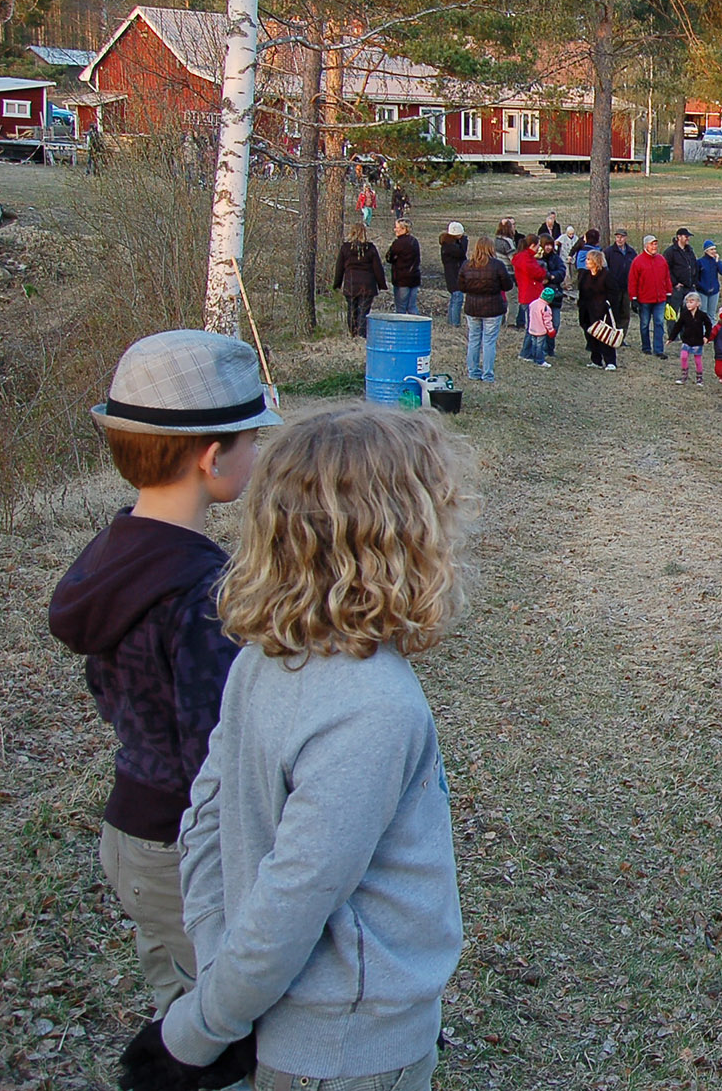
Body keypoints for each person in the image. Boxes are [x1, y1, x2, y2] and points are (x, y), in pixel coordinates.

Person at [121, 406, 466, 1091]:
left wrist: (217, 976)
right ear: (409, 536)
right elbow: (293, 897)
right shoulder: (374, 707)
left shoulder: (263, 656)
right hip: (351, 1048)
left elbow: (204, 820)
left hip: (295, 1030)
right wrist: (199, 1031)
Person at [48, 332, 280, 1025]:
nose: (255, 454)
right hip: (187, 846)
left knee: (179, 993)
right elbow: (220, 748)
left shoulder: (116, 553)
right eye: (249, 441)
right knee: (207, 1024)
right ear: (213, 458)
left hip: (132, 826)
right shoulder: (200, 592)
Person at [459, 237, 514, 382]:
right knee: (489, 341)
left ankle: (473, 372)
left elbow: (461, 286)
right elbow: (508, 285)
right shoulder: (497, 265)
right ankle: (487, 374)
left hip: (472, 307)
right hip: (492, 307)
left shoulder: (467, 265)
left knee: (474, 339)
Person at [332, 222, 385, 337]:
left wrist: (337, 284)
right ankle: (362, 334)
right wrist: (382, 284)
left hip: (351, 284)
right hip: (367, 285)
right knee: (364, 311)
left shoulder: (345, 248)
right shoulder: (370, 248)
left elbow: (339, 268)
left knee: (352, 310)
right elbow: (378, 268)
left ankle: (353, 333)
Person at [628, 235, 670, 356]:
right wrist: (634, 298)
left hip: (660, 298)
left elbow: (667, 277)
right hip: (644, 299)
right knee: (645, 324)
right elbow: (632, 281)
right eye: (652, 244)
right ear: (646, 245)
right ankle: (646, 347)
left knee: (659, 323)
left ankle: (658, 350)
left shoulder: (661, 260)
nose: (654, 247)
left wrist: (668, 293)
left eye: (656, 244)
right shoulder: (638, 261)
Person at [578, 250, 619, 370]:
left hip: (602, 311)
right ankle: (596, 360)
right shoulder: (585, 275)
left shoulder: (606, 275)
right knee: (591, 335)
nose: (586, 261)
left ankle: (610, 361)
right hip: (587, 310)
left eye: (589, 259)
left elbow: (613, 293)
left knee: (604, 335)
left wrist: (606, 305)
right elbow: (582, 291)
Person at [674, 292, 712, 386]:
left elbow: (709, 325)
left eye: (691, 302)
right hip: (686, 340)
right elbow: (678, 326)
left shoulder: (702, 315)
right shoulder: (684, 315)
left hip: (698, 341)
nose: (689, 304)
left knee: (697, 360)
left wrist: (707, 336)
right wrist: (671, 337)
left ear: (698, 303)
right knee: (683, 356)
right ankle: (684, 376)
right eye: (687, 302)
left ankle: (699, 378)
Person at [386, 218, 422, 315]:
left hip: (401, 279)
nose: (395, 230)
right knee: (412, 306)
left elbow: (389, 258)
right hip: (414, 278)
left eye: (397, 227)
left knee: (401, 308)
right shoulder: (414, 241)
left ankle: (402, 328)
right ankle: (415, 327)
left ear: (404, 229)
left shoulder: (397, 243)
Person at [663, 228, 698, 328]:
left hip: (689, 287)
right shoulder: (670, 252)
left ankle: (684, 333)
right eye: (686, 237)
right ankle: (672, 334)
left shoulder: (689, 251)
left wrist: (694, 281)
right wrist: (675, 283)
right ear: (679, 237)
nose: (688, 239)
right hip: (676, 288)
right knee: (673, 312)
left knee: (687, 313)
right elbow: (666, 269)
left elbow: (694, 265)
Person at [540, 235, 568, 357]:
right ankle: (541, 348)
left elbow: (562, 271)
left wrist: (551, 276)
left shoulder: (555, 259)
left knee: (554, 323)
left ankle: (550, 348)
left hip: (555, 295)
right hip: (540, 296)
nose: (548, 247)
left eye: (550, 245)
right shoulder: (537, 259)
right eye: (546, 244)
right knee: (540, 324)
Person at [603, 229, 636, 327]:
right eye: (617, 237)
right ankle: (611, 337)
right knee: (613, 314)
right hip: (613, 289)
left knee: (625, 314)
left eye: (621, 237)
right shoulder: (609, 252)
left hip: (627, 288)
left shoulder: (631, 252)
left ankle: (621, 337)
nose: (619, 239)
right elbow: (604, 269)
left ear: (626, 238)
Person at [439, 223, 469, 326]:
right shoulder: (450, 247)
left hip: (452, 275)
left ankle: (451, 321)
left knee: (454, 299)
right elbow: (461, 253)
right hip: (454, 276)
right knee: (457, 299)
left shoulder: (448, 244)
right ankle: (455, 323)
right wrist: (464, 242)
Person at [521, 285, 556, 368]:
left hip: (532, 328)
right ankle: (540, 360)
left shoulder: (533, 303)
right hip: (541, 330)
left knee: (534, 344)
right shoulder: (546, 308)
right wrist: (551, 330)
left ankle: (533, 357)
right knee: (540, 346)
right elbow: (547, 321)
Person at [696, 241, 722, 311]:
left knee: (712, 314)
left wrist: (718, 261)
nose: (714, 251)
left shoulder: (715, 262)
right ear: (706, 251)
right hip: (702, 291)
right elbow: (695, 277)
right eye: (711, 249)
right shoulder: (700, 262)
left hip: (714, 291)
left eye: (714, 249)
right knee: (703, 312)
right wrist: (701, 287)